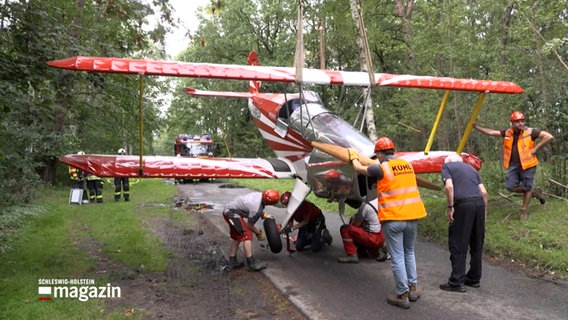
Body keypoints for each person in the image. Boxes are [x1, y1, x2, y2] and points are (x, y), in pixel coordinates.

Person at [349, 137, 427, 309]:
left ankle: (402, 294)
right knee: (409, 252)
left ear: (379, 153)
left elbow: (359, 169)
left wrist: (353, 155)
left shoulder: (381, 168)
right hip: (413, 216)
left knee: (397, 256)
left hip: (394, 219)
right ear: (394, 150)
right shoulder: (407, 165)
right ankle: (413, 288)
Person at [473, 111, 553, 220]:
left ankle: (524, 210)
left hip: (528, 165)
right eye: (517, 122)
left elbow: (549, 136)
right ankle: (534, 192)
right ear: (512, 123)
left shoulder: (530, 132)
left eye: (522, 121)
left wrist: (536, 148)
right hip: (514, 166)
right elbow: (491, 132)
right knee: (510, 186)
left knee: (527, 186)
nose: (520, 123)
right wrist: (476, 127)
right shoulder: (507, 133)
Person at [439, 154, 488, 293]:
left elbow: (449, 187)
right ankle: (474, 278)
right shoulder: (471, 169)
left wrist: (450, 207)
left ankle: (456, 281)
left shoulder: (447, 166)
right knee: (476, 243)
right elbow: (483, 192)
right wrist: (484, 213)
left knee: (458, 243)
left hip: (463, 205)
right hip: (479, 204)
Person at [223, 189, 280, 271]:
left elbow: (256, 207)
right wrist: (258, 233)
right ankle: (251, 263)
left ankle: (232, 261)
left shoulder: (260, 195)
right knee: (247, 235)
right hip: (231, 213)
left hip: (229, 210)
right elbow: (249, 225)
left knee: (237, 237)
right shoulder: (256, 209)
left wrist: (264, 215)